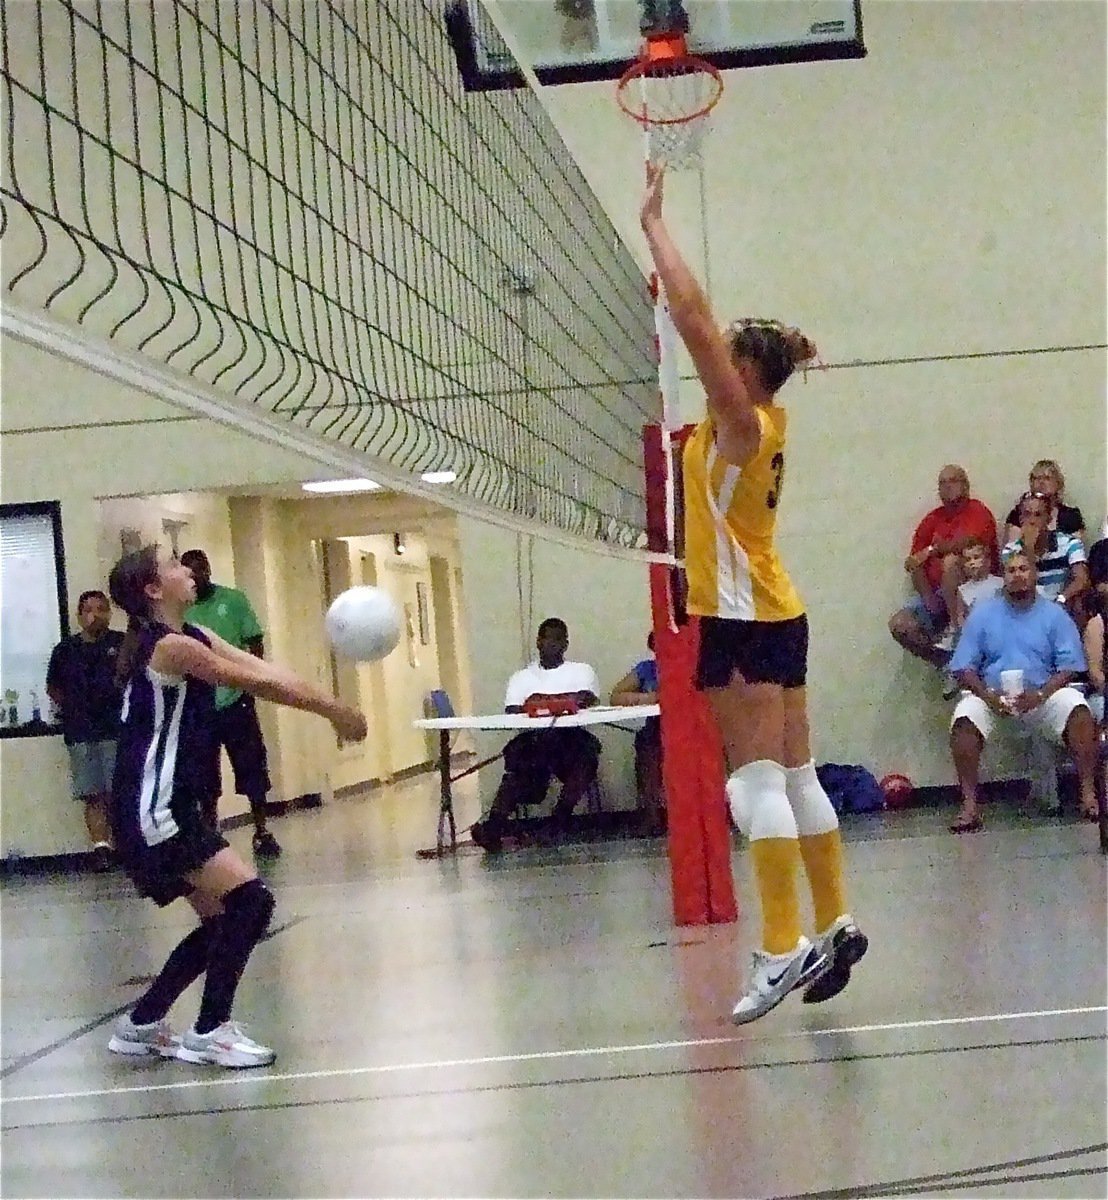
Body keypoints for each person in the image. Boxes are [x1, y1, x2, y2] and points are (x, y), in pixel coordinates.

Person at [639, 161, 865, 1024]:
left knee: (753, 787)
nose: (712, 356)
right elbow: (702, 330)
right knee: (797, 772)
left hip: (738, 617)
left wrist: (655, 224)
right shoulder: (757, 425)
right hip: (777, 608)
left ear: (745, 371)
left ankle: (779, 948)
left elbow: (693, 317)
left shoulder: (740, 424)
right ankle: (835, 920)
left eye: (726, 355)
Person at [105, 544, 366, 1067]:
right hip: (155, 812)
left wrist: (331, 703)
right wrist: (333, 709)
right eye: (174, 565)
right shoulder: (169, 648)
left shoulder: (192, 635)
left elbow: (264, 669)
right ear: (154, 590)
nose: (187, 570)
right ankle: (210, 1030)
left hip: (162, 807)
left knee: (221, 921)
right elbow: (256, 684)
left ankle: (142, 1023)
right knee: (251, 903)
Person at [947, 548, 1099, 830]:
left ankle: (1089, 796)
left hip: (1041, 696)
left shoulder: (1054, 614)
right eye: (1011, 570)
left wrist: (1041, 695)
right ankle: (969, 806)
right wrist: (987, 696)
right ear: (1003, 576)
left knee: (1078, 709)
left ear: (1034, 574)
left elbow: (1070, 666)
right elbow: (963, 667)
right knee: (964, 718)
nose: (1017, 576)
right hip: (993, 697)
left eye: (1023, 569)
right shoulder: (983, 615)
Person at [179, 549, 281, 858]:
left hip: (236, 699)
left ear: (209, 569)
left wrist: (250, 677)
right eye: (189, 572)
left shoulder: (234, 601)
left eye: (200, 570)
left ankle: (261, 830)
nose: (196, 577)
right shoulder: (182, 609)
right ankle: (210, 831)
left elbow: (254, 641)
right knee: (203, 772)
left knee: (251, 764)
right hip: (200, 702)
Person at [470, 618, 601, 853]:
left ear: (566, 644)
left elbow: (587, 699)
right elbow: (513, 710)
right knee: (517, 766)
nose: (553, 644)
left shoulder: (581, 670)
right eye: (548, 638)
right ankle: (493, 828)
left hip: (571, 738)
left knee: (588, 754)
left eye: (559, 639)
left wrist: (539, 701)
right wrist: (561, 701)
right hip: (535, 741)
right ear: (538, 642)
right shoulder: (521, 677)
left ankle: (558, 821)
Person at [46, 590, 126, 871]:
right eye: (88, 610)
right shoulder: (65, 650)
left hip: (116, 730)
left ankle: (127, 847)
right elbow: (53, 688)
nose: (95, 615)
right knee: (92, 794)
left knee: (119, 791)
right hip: (81, 733)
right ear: (79, 616)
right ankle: (101, 849)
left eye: (101, 609)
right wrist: (72, 710)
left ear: (109, 612)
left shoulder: (122, 643)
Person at [888, 465, 998, 670]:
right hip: (937, 595)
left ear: (965, 486)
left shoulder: (978, 511)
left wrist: (932, 550)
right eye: (942, 483)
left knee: (951, 561)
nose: (947, 487)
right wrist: (928, 597)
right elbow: (913, 562)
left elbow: (968, 544)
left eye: (953, 481)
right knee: (900, 624)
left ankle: (955, 631)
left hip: (975, 590)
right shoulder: (932, 519)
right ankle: (948, 664)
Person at [610, 632, 664, 835]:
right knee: (646, 744)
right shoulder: (647, 669)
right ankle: (652, 816)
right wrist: (650, 698)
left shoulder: (690, 666)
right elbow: (616, 696)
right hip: (656, 728)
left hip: (687, 730)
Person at [1000, 491, 1089, 611]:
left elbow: (1081, 579)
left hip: (1060, 606)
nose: (1032, 521)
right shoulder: (1010, 550)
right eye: (1027, 514)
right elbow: (1020, 587)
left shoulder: (1069, 543)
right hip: (1026, 608)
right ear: (1020, 519)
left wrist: (1061, 599)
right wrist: (1028, 550)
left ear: (1048, 519)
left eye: (1038, 515)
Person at [1002, 460, 1086, 546]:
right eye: (1037, 478)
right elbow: (1011, 549)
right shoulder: (1018, 514)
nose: (1041, 482)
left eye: (1047, 478)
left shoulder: (1071, 516)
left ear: (1058, 483)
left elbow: (1077, 548)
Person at [952, 537, 1003, 631]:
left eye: (976, 557)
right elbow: (961, 617)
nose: (972, 563)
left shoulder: (999, 583)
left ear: (987, 560)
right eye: (967, 559)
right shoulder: (963, 591)